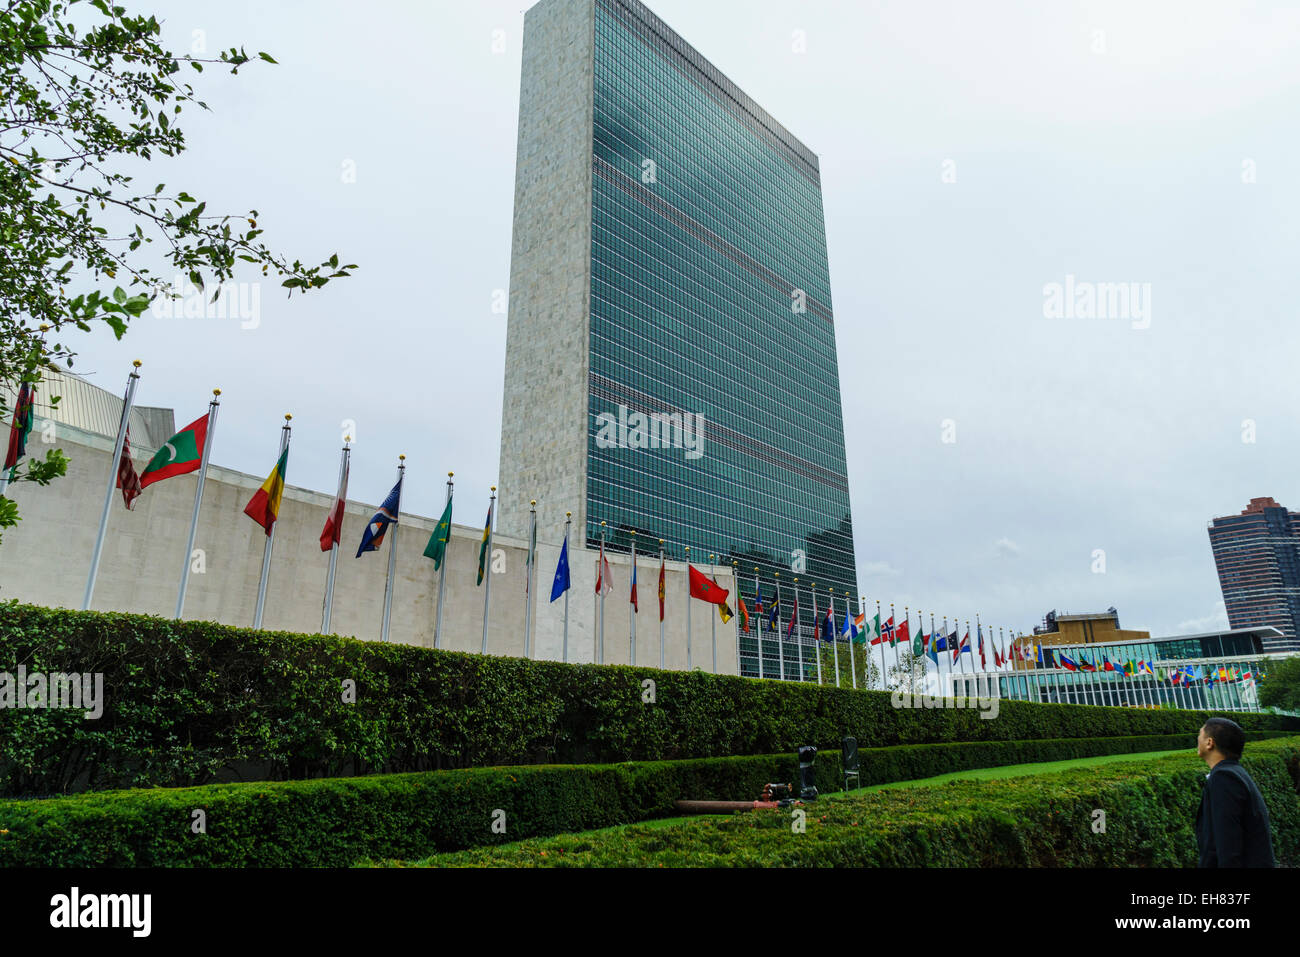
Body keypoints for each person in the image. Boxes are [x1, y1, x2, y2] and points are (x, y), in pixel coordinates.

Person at [1194, 717, 1275, 867]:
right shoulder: (1235, 772)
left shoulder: (1224, 777)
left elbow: (1228, 842)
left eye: (1200, 734)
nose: (1197, 739)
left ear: (1209, 742)